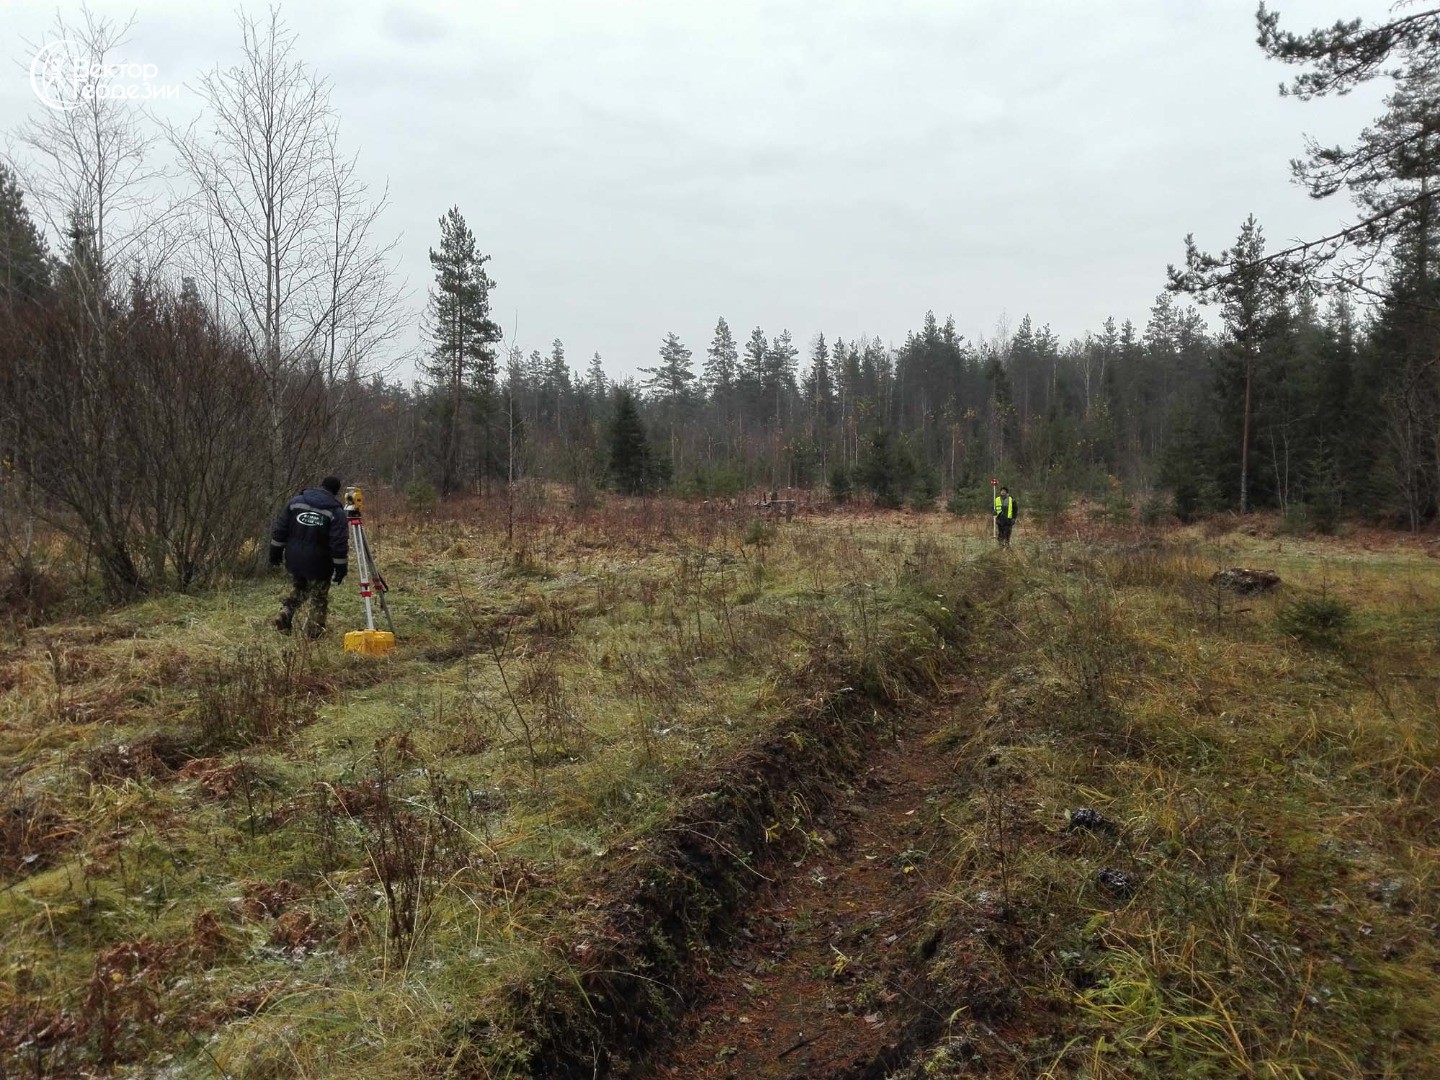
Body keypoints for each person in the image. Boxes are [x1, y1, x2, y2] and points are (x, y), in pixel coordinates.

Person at [270, 476, 349, 638]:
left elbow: (281, 528)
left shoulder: (296, 502)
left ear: (321, 485)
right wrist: (341, 567)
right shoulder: (335, 511)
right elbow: (338, 543)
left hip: (294, 558)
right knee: (319, 598)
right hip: (319, 563)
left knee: (300, 588)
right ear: (335, 492)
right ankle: (313, 635)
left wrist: (275, 551)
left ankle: (285, 612)